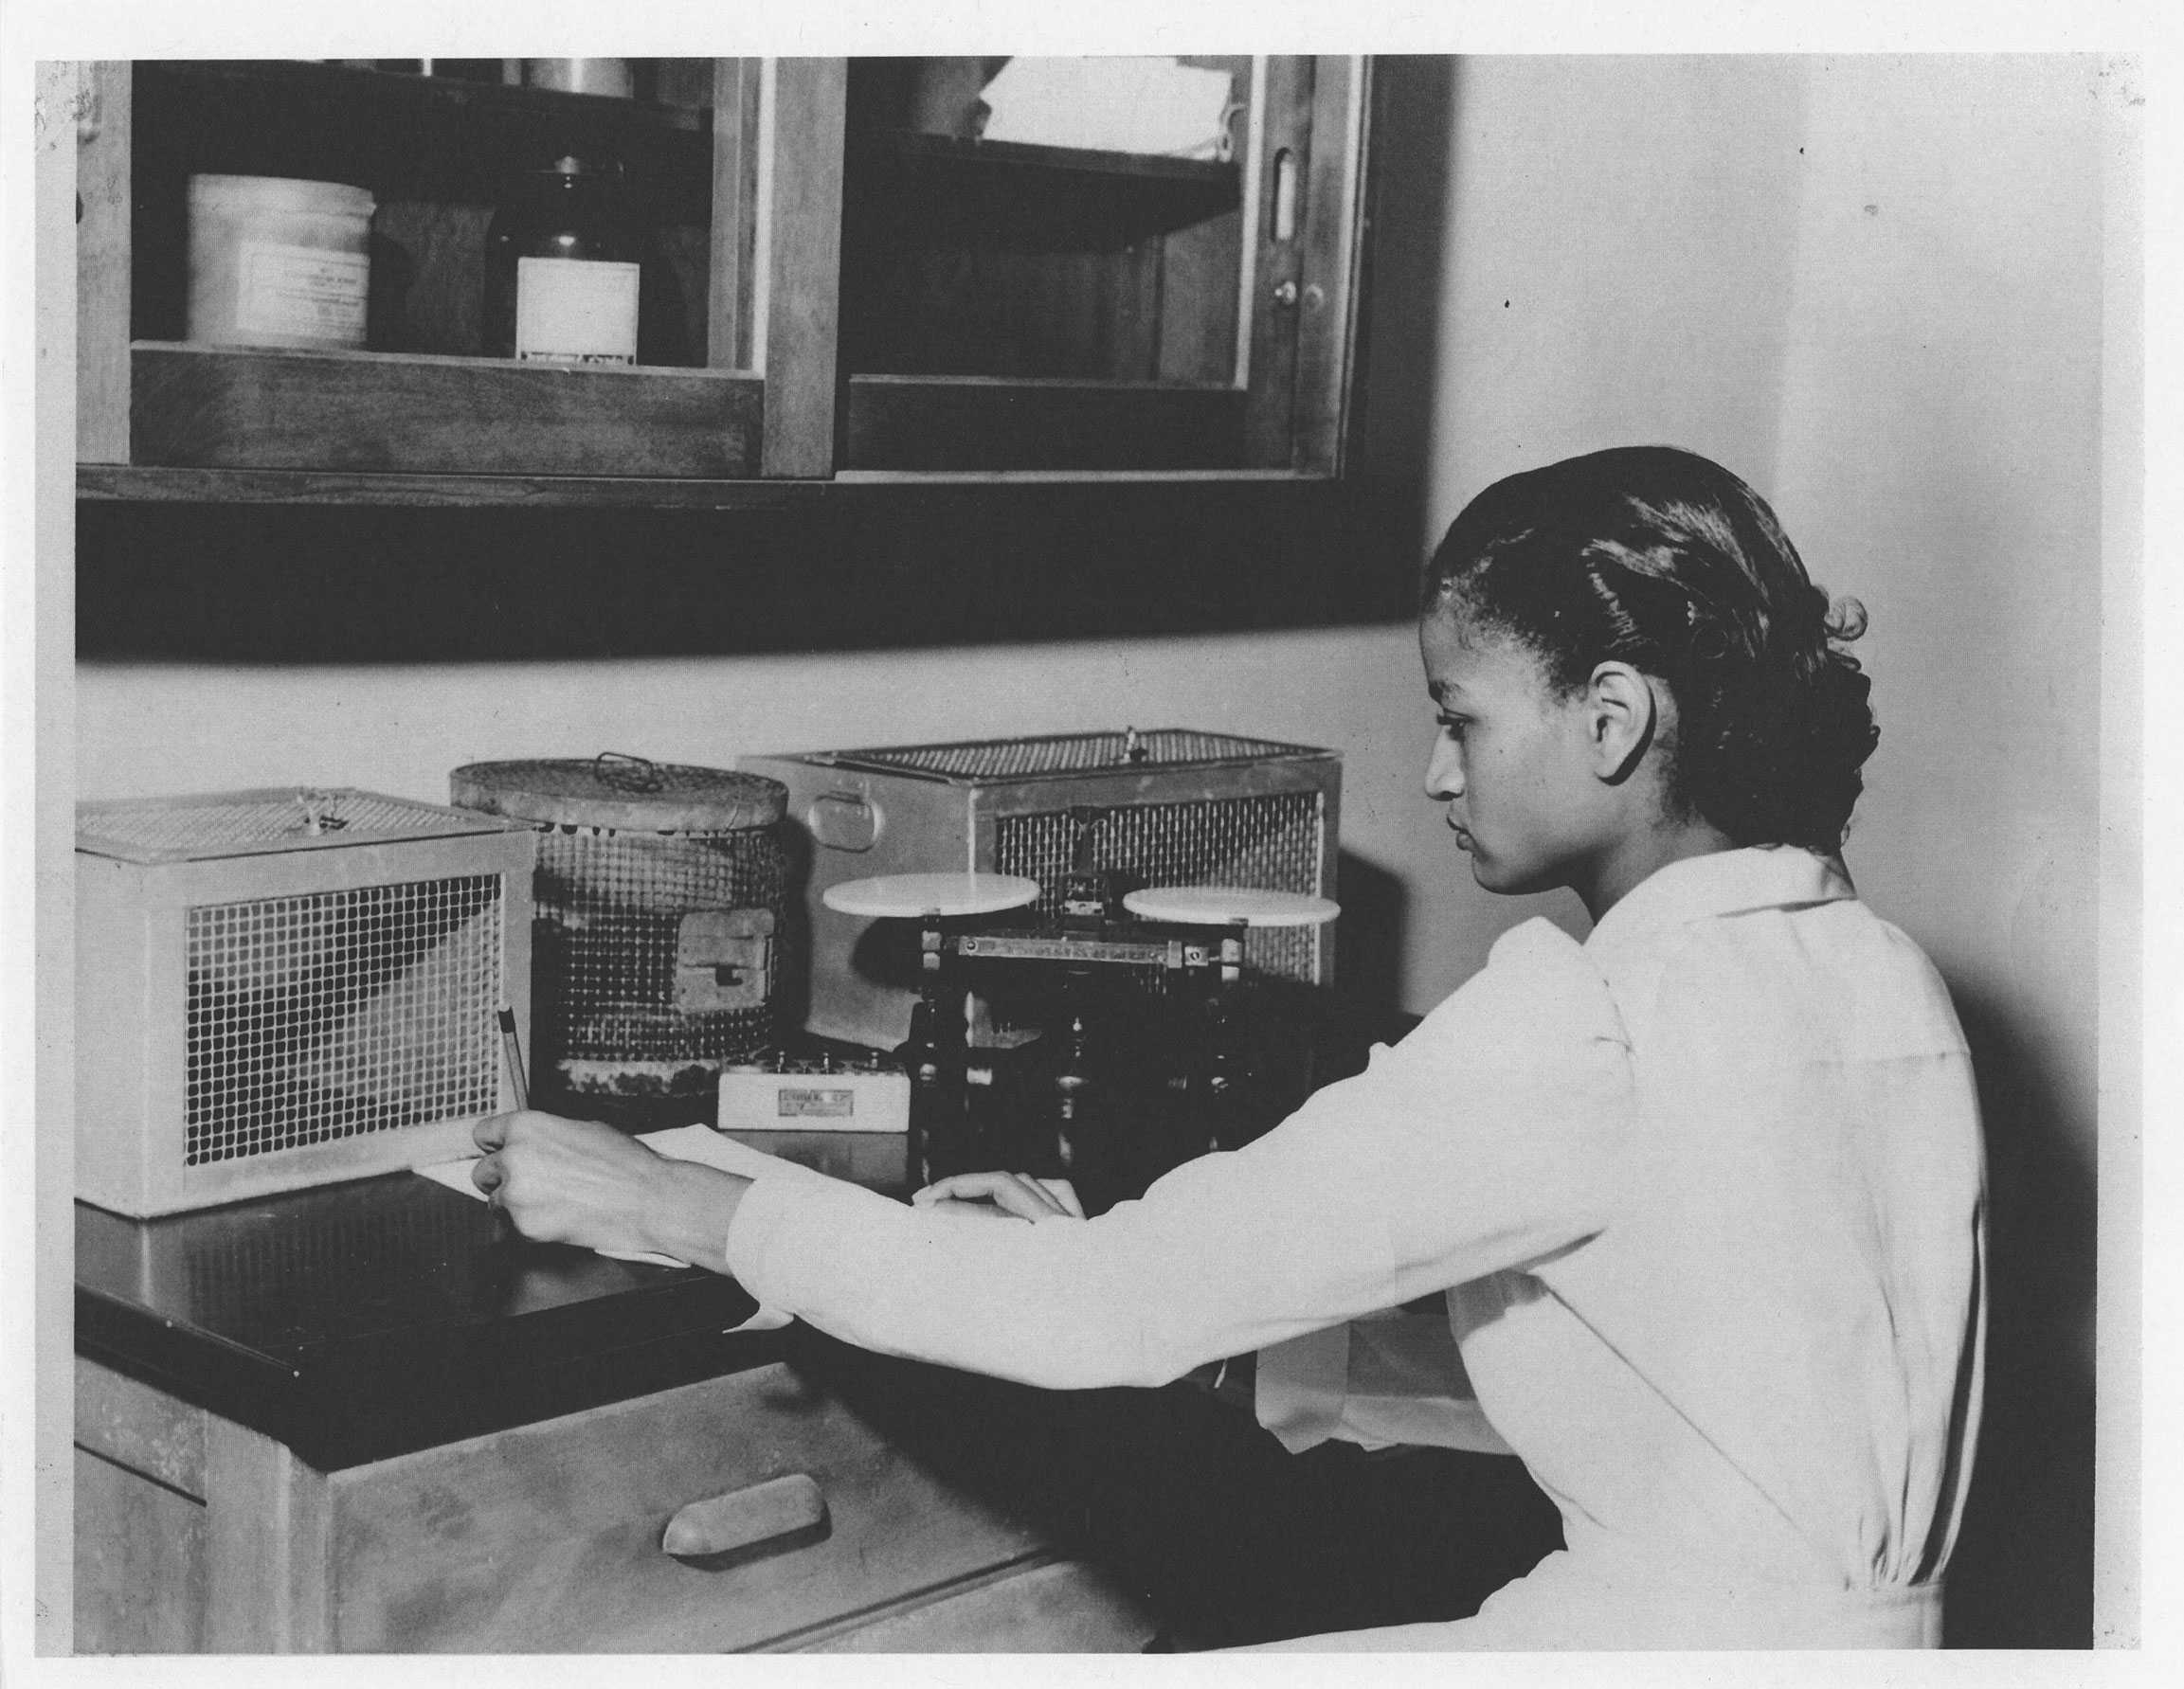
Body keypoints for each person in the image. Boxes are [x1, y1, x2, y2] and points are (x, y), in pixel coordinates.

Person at [472, 444, 1987, 1650]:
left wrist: (678, 1203)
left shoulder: (1589, 1020)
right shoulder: (1880, 980)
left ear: (1607, 719)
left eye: (1458, 718)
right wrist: (1130, 1253)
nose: (1432, 771)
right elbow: (1651, 1326)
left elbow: (1108, 1324)